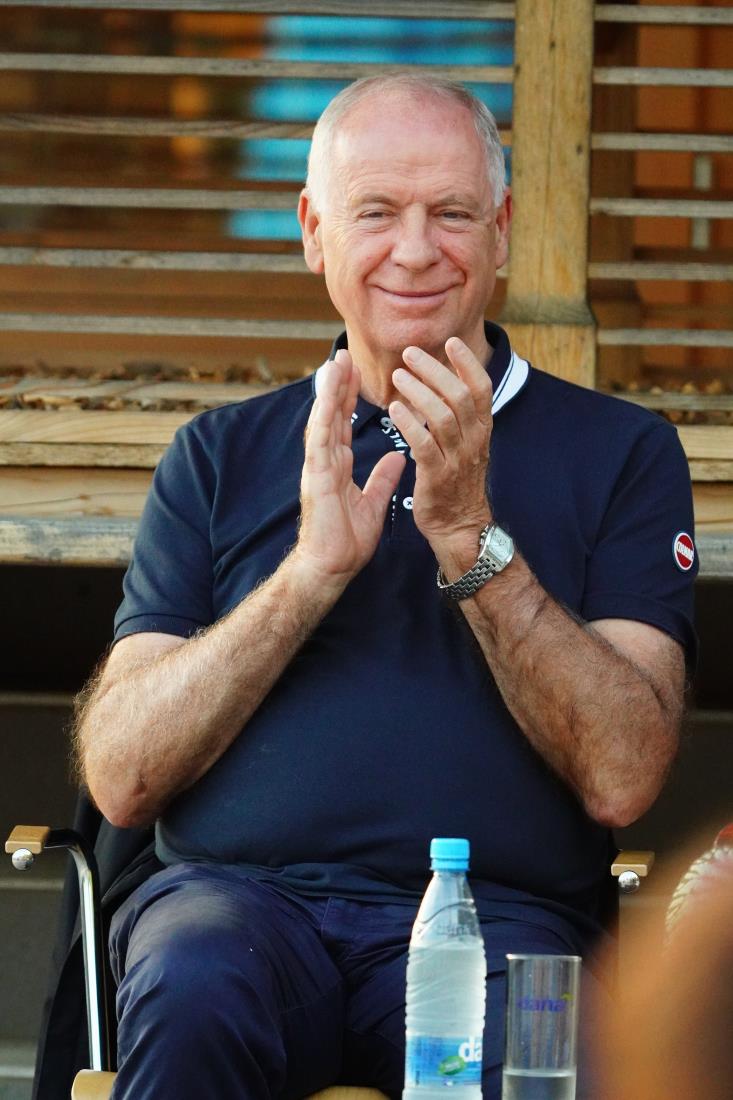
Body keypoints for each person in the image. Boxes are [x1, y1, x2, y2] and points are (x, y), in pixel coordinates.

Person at [74, 73, 697, 1100]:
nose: (415, 250)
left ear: (500, 231)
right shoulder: (219, 454)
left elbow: (622, 777)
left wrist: (472, 541)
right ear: (312, 231)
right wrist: (309, 575)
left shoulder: (621, 452)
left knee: (546, 1045)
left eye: (451, 212)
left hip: (499, 918)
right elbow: (122, 776)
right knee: (192, 982)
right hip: (237, 909)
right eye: (375, 212)